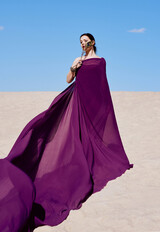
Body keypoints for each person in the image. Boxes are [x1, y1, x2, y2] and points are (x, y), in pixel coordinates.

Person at [0, 33, 134, 232]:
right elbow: (68, 79)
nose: (83, 43)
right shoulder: (78, 60)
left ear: (93, 42)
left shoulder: (101, 61)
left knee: (92, 137)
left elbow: (102, 84)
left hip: (94, 102)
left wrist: (104, 108)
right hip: (78, 101)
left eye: (85, 40)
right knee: (59, 128)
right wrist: (73, 68)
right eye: (80, 41)